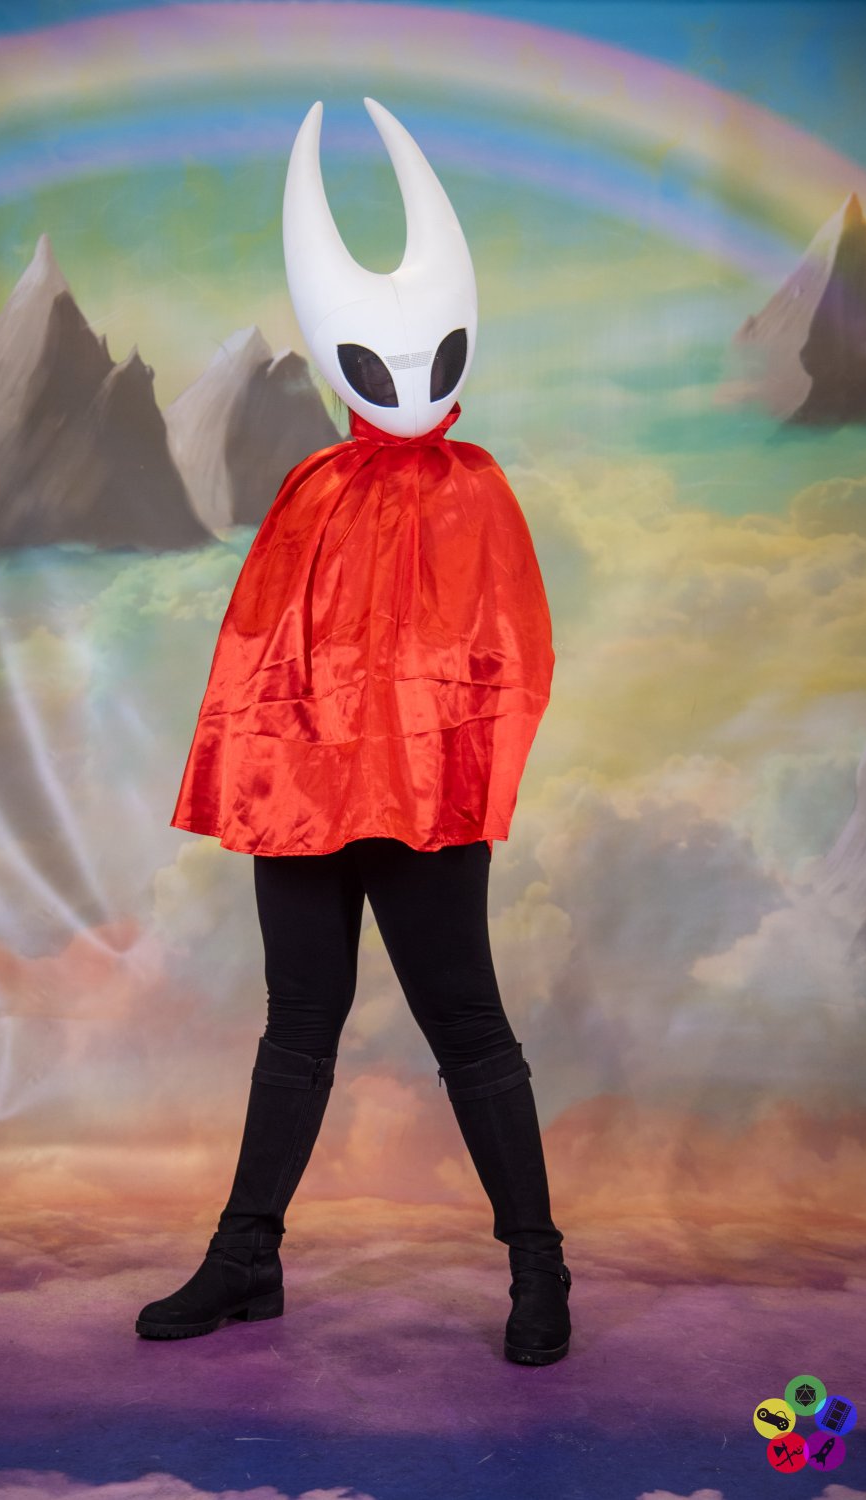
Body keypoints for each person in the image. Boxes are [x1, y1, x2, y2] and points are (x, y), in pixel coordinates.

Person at [136, 98, 571, 1366]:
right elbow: (261, 650)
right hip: (306, 801)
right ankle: (245, 1260)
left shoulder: (475, 492)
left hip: (423, 803)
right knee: (297, 1022)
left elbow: (506, 657)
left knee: (467, 1027)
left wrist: (449, 779)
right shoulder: (311, 489)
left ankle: (537, 1267)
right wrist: (270, 782)